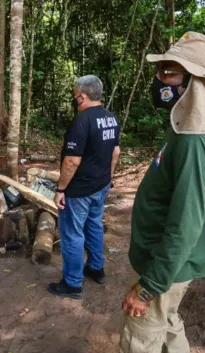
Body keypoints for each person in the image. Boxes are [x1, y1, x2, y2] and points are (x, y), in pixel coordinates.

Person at [119, 32, 205, 353]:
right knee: (167, 323)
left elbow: (186, 224)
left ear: (195, 80)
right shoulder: (185, 128)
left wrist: (147, 288)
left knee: (139, 339)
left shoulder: (196, 142)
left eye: (168, 72)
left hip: (163, 267)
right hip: (163, 262)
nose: (159, 80)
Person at [48, 75, 121, 299]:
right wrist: (108, 179)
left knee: (72, 234)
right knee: (94, 226)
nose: (74, 99)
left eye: (75, 96)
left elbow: (72, 161)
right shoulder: (111, 118)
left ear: (83, 96)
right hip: (100, 185)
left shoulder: (82, 121)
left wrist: (60, 190)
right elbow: (115, 152)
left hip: (79, 190)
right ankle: (96, 268)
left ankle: (72, 283)